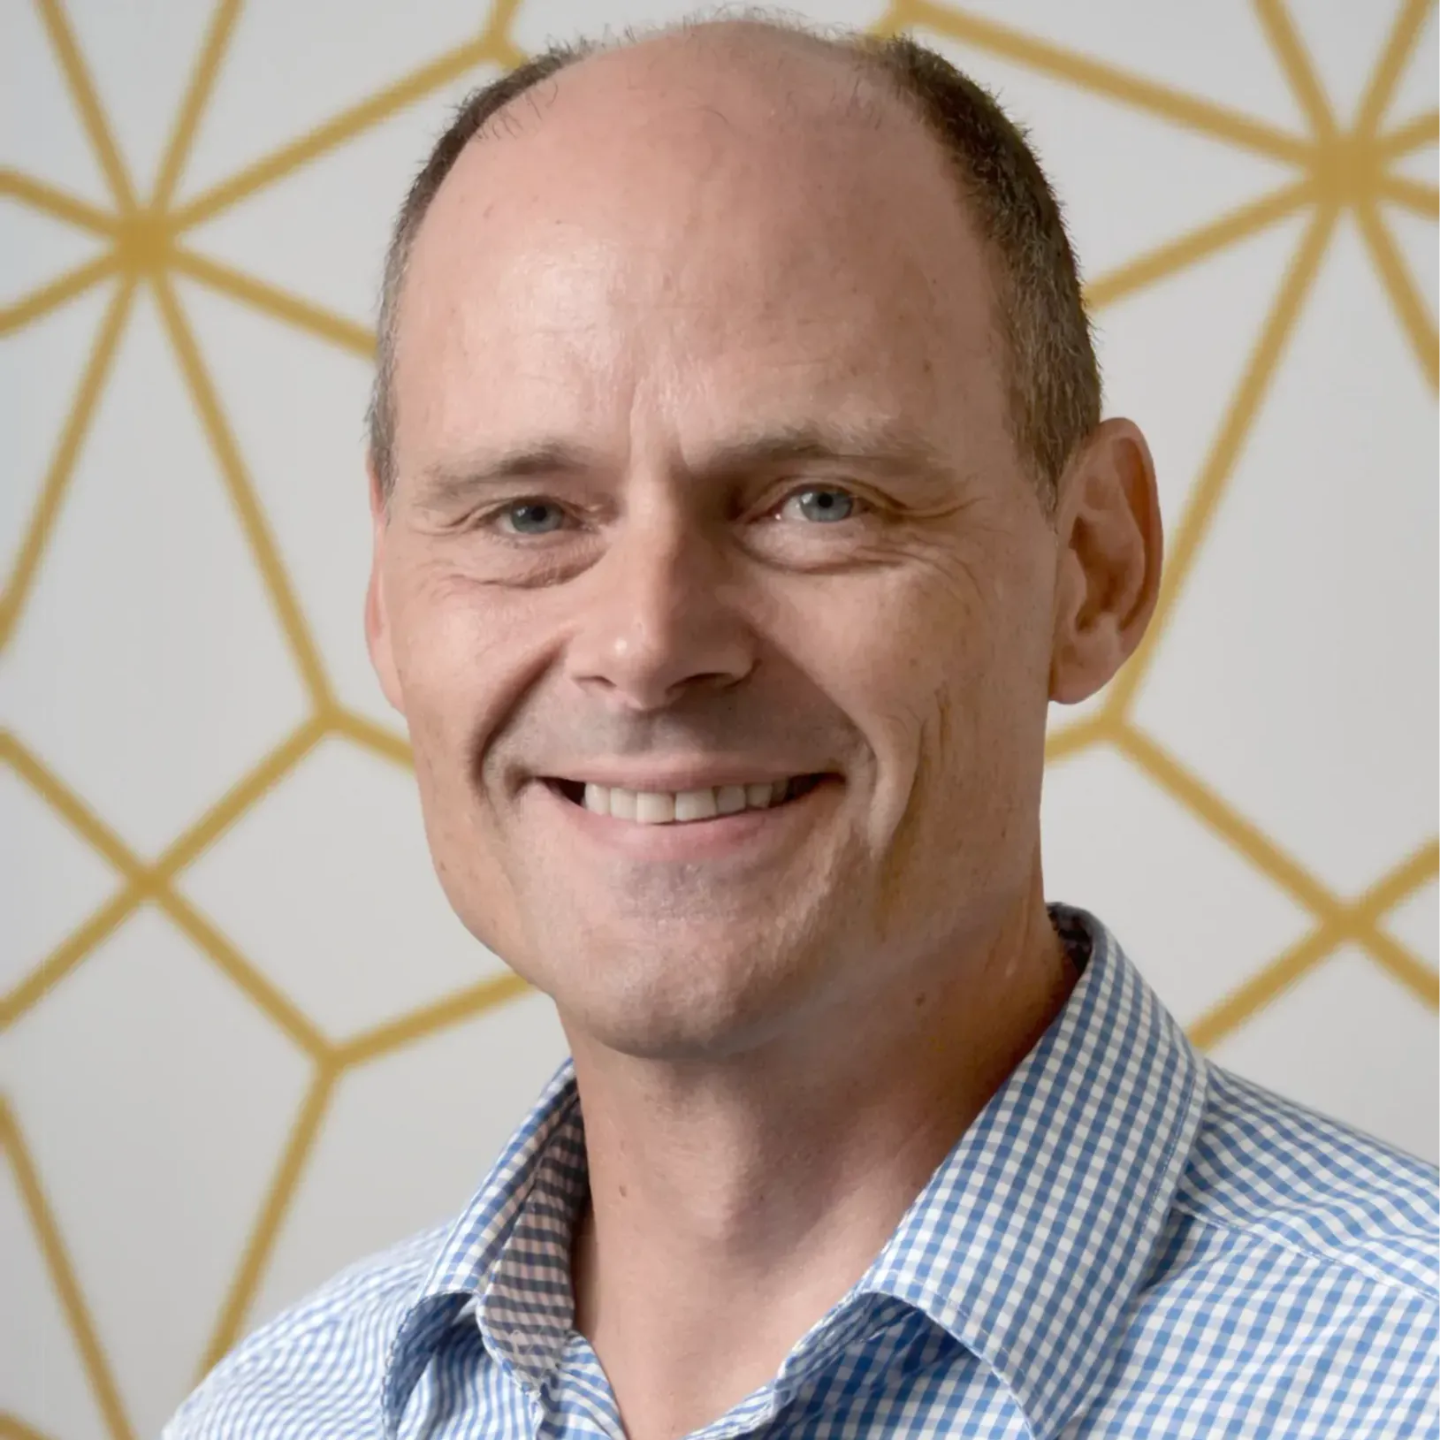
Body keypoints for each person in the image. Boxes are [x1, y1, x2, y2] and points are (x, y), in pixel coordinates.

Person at [166, 16, 1440, 1440]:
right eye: (528, 516)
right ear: (388, 599)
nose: (648, 647)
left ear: (1093, 566)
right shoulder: (271, 1415)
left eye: (817, 503)